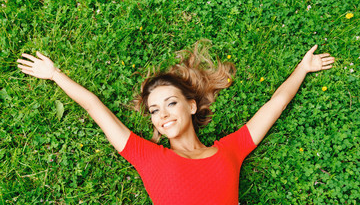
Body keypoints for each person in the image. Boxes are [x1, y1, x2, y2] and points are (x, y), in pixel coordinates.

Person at [17, 43, 335, 205]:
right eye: (155, 110)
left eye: (171, 103)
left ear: (191, 105)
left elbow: (274, 105)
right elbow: (95, 108)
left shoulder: (231, 150)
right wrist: (55, 74)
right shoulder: (147, 157)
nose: (164, 114)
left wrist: (302, 69)